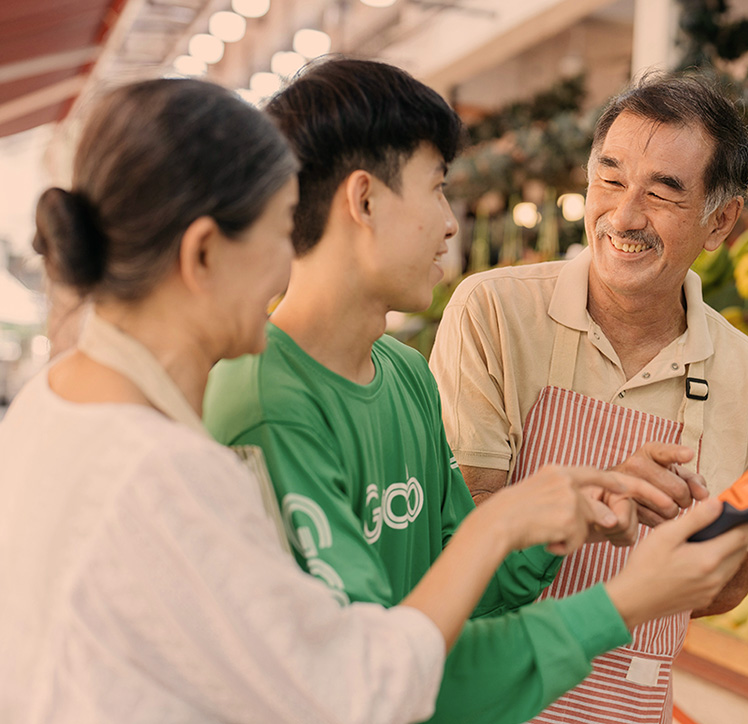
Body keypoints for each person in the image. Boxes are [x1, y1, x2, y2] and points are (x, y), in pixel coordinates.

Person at [0, 78, 664, 724]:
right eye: (279, 232)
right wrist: (587, 579)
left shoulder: (51, 407)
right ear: (203, 253)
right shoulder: (167, 470)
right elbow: (354, 691)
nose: (286, 263)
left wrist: (536, 523)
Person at [203, 59, 748, 724]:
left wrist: (583, 507)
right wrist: (619, 601)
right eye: (436, 189)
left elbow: (459, 588)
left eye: (662, 192)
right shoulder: (265, 404)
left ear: (720, 222)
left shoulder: (403, 375)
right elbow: (371, 674)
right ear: (364, 201)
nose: (451, 224)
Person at [429, 72, 748, 724]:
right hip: (489, 700)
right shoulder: (495, 312)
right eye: (610, 179)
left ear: (721, 221)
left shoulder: (747, 376)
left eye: (662, 193)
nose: (623, 217)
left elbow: (734, 577)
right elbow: (461, 527)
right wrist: (613, 531)